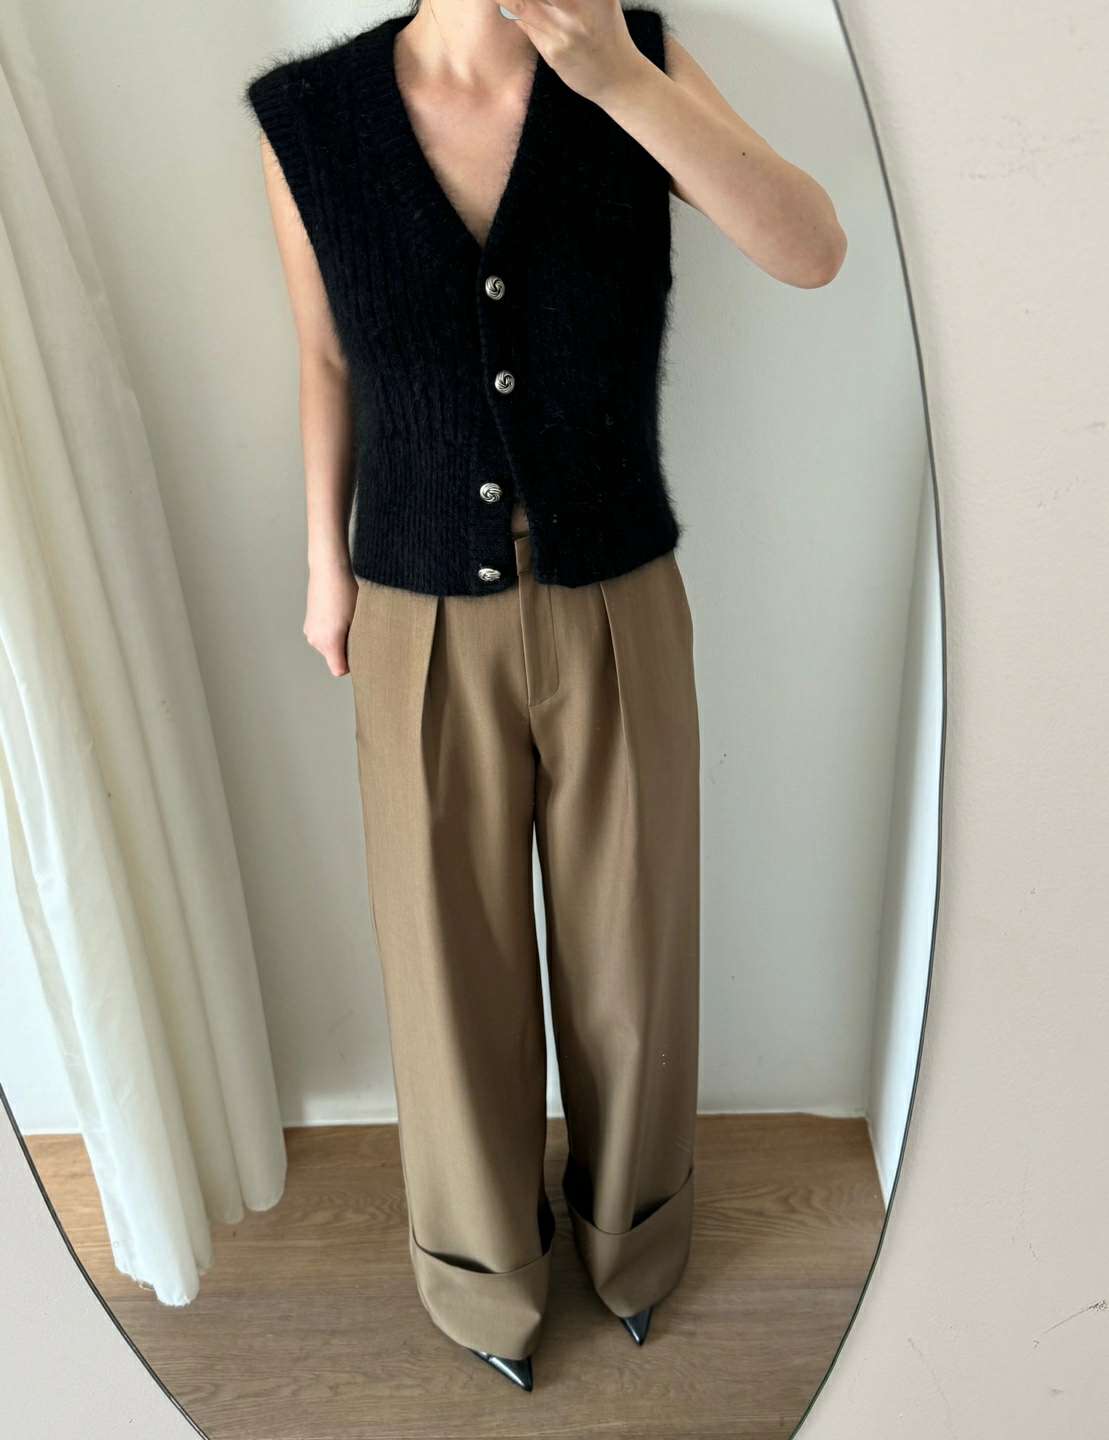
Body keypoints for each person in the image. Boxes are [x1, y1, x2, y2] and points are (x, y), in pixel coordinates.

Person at [243, 0, 845, 1393]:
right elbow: (324, 354)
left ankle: (636, 1240)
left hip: (614, 591)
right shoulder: (311, 117)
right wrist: (323, 565)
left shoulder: (635, 53)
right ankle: (480, 1273)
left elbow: (809, 250)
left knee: (632, 947)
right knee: (446, 966)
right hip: (412, 606)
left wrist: (615, 78)